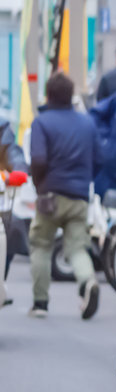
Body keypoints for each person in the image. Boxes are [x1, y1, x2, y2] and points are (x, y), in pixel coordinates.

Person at [27, 72, 99, 319]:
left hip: (50, 194)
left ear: (48, 95)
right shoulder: (87, 123)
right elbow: (99, 158)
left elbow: (38, 159)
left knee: (41, 244)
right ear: (71, 95)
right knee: (77, 248)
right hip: (79, 196)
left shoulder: (42, 122)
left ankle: (40, 303)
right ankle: (87, 282)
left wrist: (39, 185)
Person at [0, 114, 26, 308]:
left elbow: (13, 152)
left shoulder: (1, 127)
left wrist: (18, 169)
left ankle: (1, 281)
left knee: (14, 229)